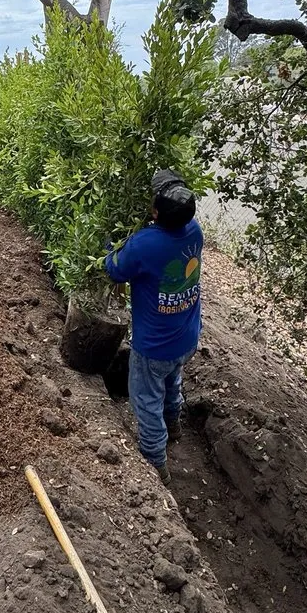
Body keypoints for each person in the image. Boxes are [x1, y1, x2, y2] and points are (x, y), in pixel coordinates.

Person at [104, 169, 203, 485]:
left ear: (156, 212)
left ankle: (155, 463)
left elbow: (114, 269)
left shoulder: (144, 244)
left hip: (153, 348)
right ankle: (174, 424)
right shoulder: (195, 232)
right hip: (187, 337)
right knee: (172, 382)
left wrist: (110, 243)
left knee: (145, 401)